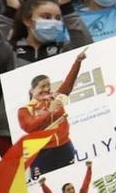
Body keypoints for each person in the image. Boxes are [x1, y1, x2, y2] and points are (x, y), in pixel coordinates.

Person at [13, 52, 87, 180]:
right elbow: (29, 127)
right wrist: (49, 112)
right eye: (42, 86)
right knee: (44, 187)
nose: (46, 89)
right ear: (32, 90)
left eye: (48, 85)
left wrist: (78, 61)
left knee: (70, 181)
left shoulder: (56, 98)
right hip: (42, 153)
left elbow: (68, 83)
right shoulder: (25, 110)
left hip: (65, 148)